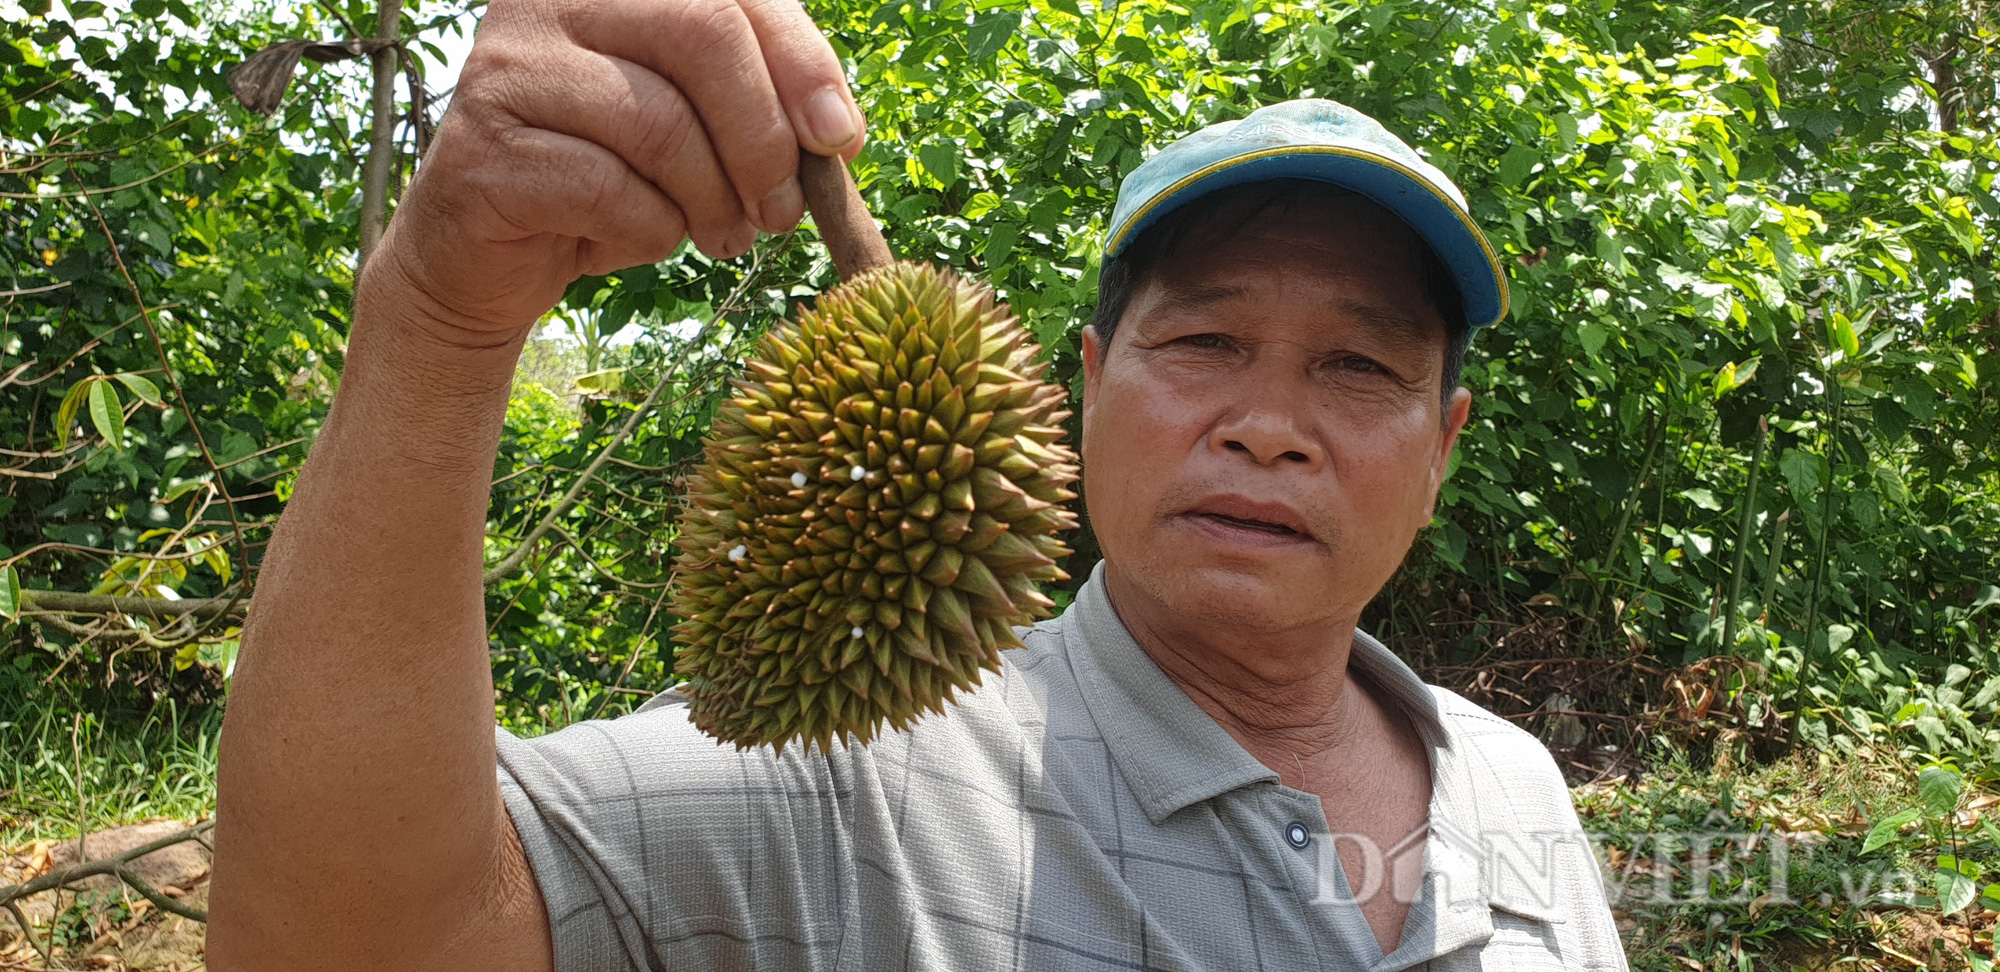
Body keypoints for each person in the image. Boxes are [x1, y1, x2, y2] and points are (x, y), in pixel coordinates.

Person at [205, 0, 1629, 967]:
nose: (1269, 426)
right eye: (1203, 340)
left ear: (1440, 453)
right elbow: (352, 937)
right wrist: (441, 320)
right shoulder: (856, 777)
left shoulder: (1517, 789)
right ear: (1084, 388)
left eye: (1359, 369)